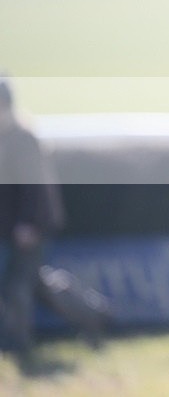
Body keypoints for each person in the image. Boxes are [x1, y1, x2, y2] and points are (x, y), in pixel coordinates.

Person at [0, 76, 65, 357]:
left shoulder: (23, 139)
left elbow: (35, 188)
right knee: (37, 284)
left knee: (18, 286)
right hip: (14, 228)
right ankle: (95, 315)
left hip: (30, 228)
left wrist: (28, 223)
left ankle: (18, 346)